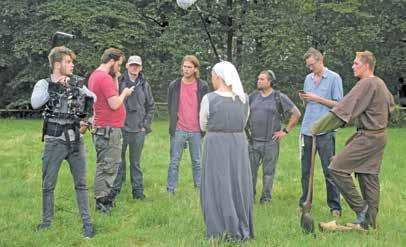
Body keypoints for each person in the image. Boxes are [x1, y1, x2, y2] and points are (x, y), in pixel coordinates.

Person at [312, 50, 395, 230]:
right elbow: (391, 106)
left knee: (336, 167)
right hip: (380, 135)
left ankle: (362, 210)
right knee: (368, 176)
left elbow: (344, 107)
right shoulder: (380, 83)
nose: (353, 66)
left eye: (356, 63)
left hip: (368, 136)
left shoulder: (366, 83)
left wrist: (318, 127)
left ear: (366, 66)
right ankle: (369, 224)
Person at [31, 46, 95, 238]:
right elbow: (35, 103)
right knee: (48, 184)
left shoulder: (76, 82)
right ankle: (46, 221)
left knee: (81, 185)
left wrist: (75, 89)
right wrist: (57, 86)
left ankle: (87, 224)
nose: (72, 64)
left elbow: (94, 97)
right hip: (54, 142)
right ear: (57, 64)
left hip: (76, 140)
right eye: (68, 61)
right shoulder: (43, 84)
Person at [200, 61, 254, 240]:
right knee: (237, 183)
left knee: (217, 184)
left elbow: (203, 124)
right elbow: (243, 121)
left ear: (219, 77)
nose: (212, 79)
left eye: (213, 76)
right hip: (238, 143)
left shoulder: (209, 99)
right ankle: (238, 225)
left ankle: (219, 228)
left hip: (216, 143)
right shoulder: (244, 98)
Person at [298, 47, 343, 216]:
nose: (310, 68)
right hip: (307, 129)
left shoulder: (334, 78)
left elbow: (339, 104)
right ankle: (304, 202)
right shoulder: (308, 79)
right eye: (308, 66)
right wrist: (305, 99)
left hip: (325, 130)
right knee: (305, 171)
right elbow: (309, 104)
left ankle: (335, 207)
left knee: (329, 170)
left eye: (312, 65)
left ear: (320, 60)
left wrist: (317, 98)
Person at [88, 48, 134, 213]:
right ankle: (102, 203)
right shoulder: (103, 78)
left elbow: (109, 95)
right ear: (112, 61)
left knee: (109, 165)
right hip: (109, 129)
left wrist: (115, 77)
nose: (120, 68)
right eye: (119, 64)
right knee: (107, 167)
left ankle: (105, 199)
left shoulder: (96, 76)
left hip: (104, 128)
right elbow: (115, 104)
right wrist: (125, 93)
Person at [246, 70, 301, 204]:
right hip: (253, 142)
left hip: (271, 142)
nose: (259, 81)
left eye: (262, 79)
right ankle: (249, 198)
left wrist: (285, 131)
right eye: (258, 78)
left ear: (270, 82)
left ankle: (266, 199)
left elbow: (296, 113)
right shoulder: (252, 96)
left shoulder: (279, 97)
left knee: (268, 173)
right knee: (250, 172)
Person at [111, 55, 155, 200]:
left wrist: (145, 125)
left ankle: (137, 192)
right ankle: (115, 189)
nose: (134, 67)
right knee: (118, 161)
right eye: (132, 65)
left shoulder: (144, 84)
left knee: (135, 163)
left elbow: (151, 107)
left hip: (138, 130)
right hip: (121, 128)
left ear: (140, 68)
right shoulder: (118, 82)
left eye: (137, 65)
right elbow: (112, 103)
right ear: (127, 66)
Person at [166, 55, 209, 194]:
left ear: (195, 69)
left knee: (197, 162)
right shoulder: (174, 85)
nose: (186, 69)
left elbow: (206, 107)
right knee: (174, 161)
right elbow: (170, 105)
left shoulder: (202, 85)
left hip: (196, 130)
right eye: (184, 66)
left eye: (189, 67)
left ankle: (199, 188)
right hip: (179, 129)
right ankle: (170, 189)